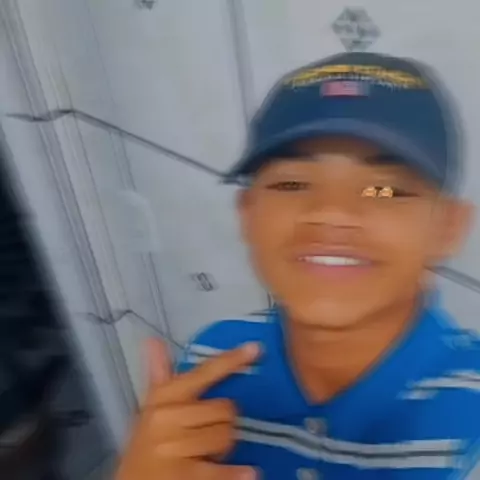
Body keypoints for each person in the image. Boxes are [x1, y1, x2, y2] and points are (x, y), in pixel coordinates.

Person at [116, 52, 480, 479]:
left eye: (383, 190)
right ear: (247, 213)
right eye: (292, 183)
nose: (331, 211)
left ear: (448, 228)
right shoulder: (212, 359)